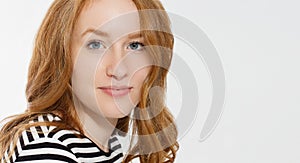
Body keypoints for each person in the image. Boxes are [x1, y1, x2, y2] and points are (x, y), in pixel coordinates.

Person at [0, 0, 178, 162]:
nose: (118, 69)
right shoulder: (47, 148)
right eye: (96, 44)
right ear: (63, 55)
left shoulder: (106, 144)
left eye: (134, 45)